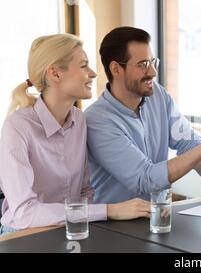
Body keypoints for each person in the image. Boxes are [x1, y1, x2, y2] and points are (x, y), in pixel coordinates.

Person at [85, 27, 201, 204]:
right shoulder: (98, 121)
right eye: (143, 65)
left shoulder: (158, 96)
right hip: (114, 227)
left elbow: (189, 143)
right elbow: (145, 180)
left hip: (158, 217)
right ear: (116, 69)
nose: (153, 72)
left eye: (153, 62)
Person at [0, 34, 152, 236]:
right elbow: (23, 213)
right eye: (83, 66)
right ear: (55, 74)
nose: (93, 73)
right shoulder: (17, 127)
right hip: (23, 234)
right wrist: (110, 211)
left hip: (69, 229)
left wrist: (82, 225)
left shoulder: (79, 120)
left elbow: (84, 190)